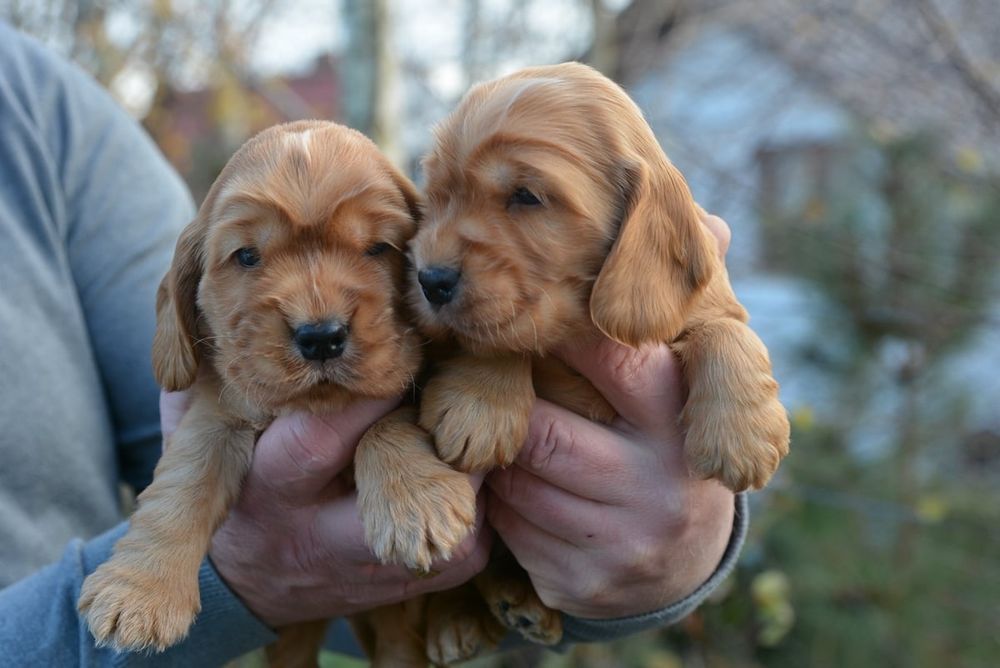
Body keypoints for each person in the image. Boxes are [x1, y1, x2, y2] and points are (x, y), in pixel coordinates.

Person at [0, 22, 746, 666]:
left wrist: (660, 562)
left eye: (377, 248)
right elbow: (206, 420)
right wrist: (228, 581)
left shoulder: (42, 112)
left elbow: (357, 539)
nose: (317, 308)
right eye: (250, 257)